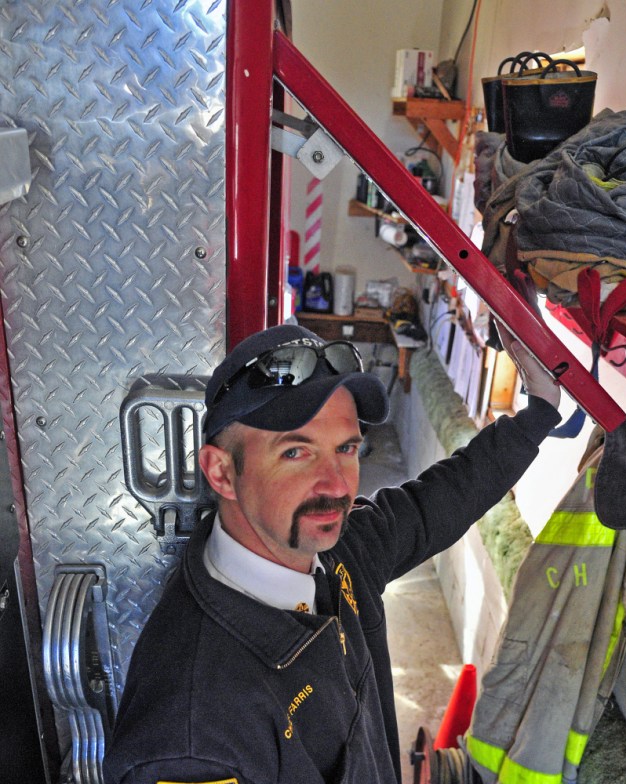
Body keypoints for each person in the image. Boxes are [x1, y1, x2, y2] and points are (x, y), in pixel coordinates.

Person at [103, 322, 561, 784]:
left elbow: (437, 502)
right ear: (221, 472)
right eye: (296, 453)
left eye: (346, 449)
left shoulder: (340, 551)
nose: (337, 485)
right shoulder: (194, 736)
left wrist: (537, 414)